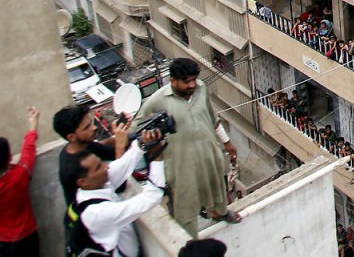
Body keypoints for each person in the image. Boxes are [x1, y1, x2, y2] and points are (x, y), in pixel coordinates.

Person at [133, 57, 241, 236]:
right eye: (186, 82)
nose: (191, 85)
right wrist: (148, 138)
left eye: (193, 80)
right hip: (181, 162)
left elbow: (213, 118)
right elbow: (137, 127)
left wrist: (227, 143)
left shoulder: (201, 89)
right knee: (186, 203)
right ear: (172, 81)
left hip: (209, 153)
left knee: (217, 189)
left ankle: (219, 213)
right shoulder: (158, 100)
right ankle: (190, 241)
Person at [67, 129, 165, 257]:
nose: (105, 167)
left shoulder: (92, 187)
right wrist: (156, 156)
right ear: (82, 182)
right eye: (98, 167)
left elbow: (122, 165)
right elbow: (152, 197)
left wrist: (141, 144)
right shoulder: (97, 213)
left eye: (100, 163)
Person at [53, 104, 129, 204]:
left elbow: (110, 152)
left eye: (91, 123)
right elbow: (120, 187)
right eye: (87, 127)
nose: (94, 128)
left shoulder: (85, 145)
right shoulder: (74, 166)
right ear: (71, 137)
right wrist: (120, 145)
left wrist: (120, 134)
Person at [0, 107, 40, 257]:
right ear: (9, 157)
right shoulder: (20, 173)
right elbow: (29, 149)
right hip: (27, 236)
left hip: (3, 241)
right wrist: (33, 121)